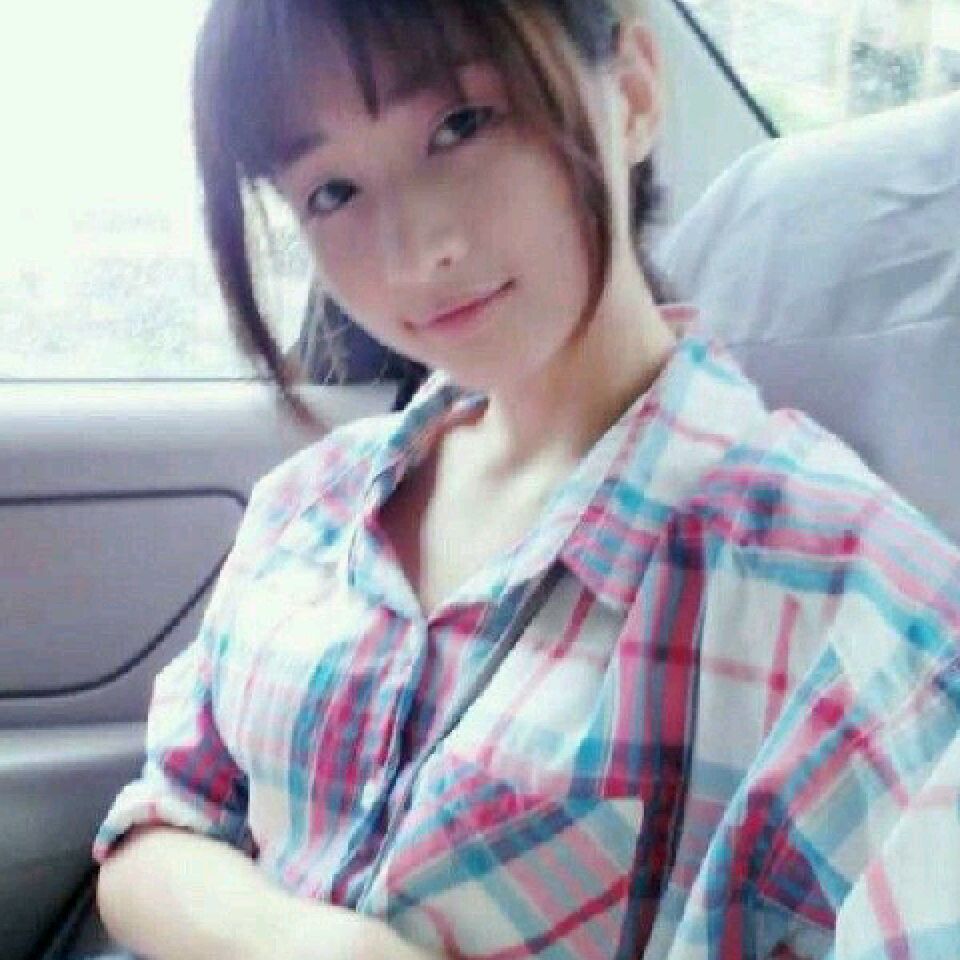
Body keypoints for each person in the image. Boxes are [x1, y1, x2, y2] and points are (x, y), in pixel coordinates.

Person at [92, 1, 960, 958]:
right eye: (332, 191)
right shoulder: (310, 504)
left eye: (462, 125)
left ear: (632, 93)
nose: (414, 254)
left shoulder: (855, 606)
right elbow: (158, 826)